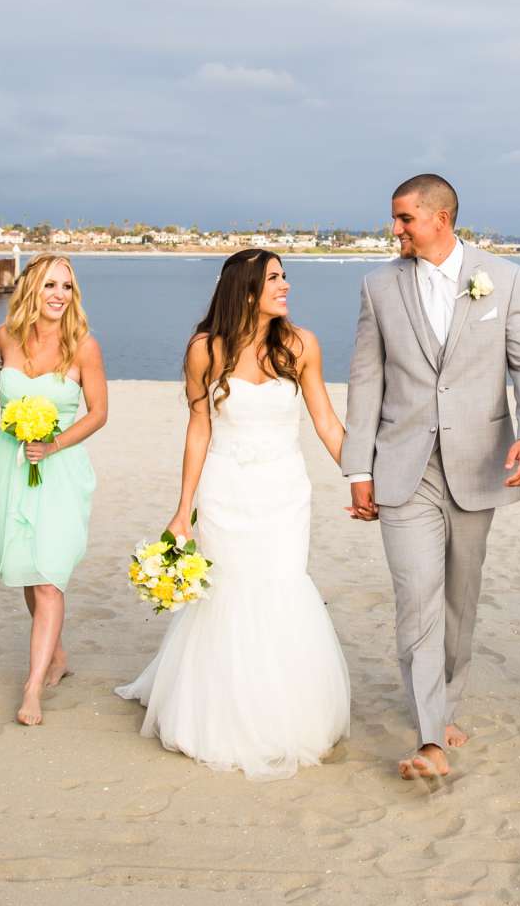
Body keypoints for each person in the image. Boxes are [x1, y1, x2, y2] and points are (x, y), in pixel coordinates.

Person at [117, 250, 357, 778]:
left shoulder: (301, 345)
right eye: (274, 278)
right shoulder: (205, 349)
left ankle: (284, 714)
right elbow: (199, 428)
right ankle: (221, 715)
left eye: (285, 276)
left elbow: (326, 421)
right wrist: (184, 510)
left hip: (284, 492)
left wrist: (361, 478)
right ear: (246, 290)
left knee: (281, 583)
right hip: (226, 491)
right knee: (228, 592)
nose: (286, 285)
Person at [347, 174, 520, 779]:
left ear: (440, 218)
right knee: (417, 596)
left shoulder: (505, 277)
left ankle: (447, 701)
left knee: (461, 598)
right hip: (402, 467)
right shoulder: (378, 285)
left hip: (478, 462)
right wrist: (358, 469)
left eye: (404, 218)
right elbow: (366, 380)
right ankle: (430, 735)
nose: (395, 230)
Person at [0, 254, 109, 726]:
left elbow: (98, 413)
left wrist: (53, 443)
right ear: (32, 290)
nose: (59, 295)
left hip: (58, 469)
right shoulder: (6, 337)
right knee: (23, 567)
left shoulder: (84, 347)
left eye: (67, 287)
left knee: (48, 576)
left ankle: (32, 688)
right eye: (51, 285)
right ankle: (55, 654)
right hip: (9, 465)